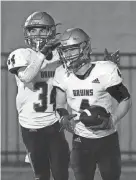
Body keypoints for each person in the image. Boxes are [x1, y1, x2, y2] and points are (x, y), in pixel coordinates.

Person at [53, 28, 132, 180]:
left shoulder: (104, 71)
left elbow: (125, 100)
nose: (67, 55)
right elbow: (60, 104)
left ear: (85, 48)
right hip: (81, 139)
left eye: (72, 50)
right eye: (64, 51)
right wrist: (63, 117)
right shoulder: (61, 74)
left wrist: (113, 119)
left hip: (107, 138)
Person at [7, 11, 70, 180]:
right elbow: (27, 76)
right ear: (27, 33)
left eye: (42, 30)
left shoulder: (60, 55)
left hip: (54, 121)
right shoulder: (22, 54)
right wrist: (43, 54)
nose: (37, 34)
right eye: (33, 30)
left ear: (51, 31)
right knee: (42, 175)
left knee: (61, 173)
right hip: (31, 125)